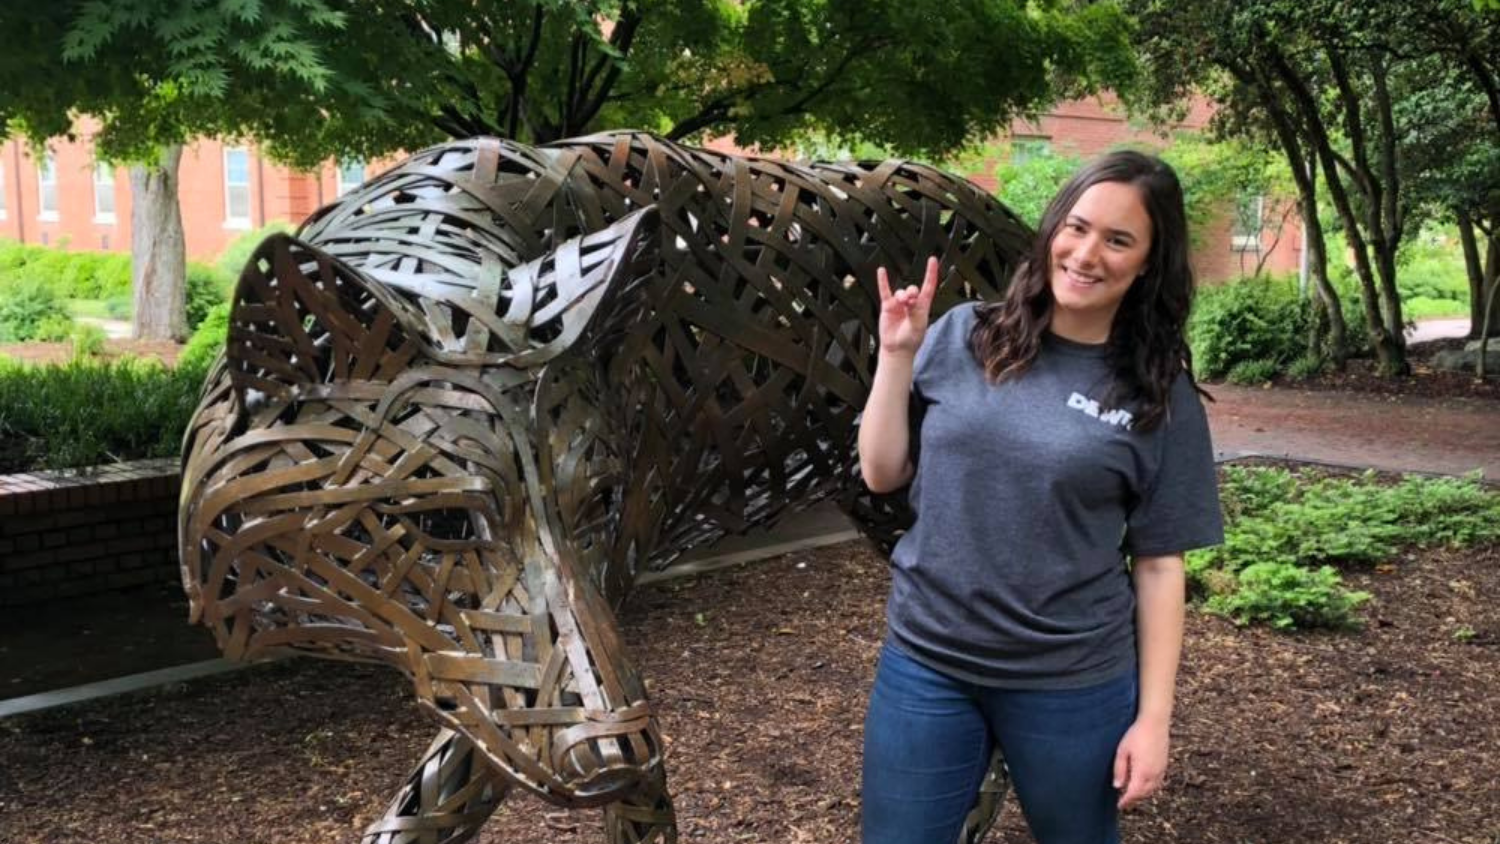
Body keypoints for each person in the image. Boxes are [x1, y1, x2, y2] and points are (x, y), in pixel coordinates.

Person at [857, 150, 1224, 844]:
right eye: (1078, 227)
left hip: (1072, 683)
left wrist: (1154, 720)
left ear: (1148, 262)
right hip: (929, 662)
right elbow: (881, 473)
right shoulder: (966, 334)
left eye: (1119, 240)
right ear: (1053, 229)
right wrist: (896, 355)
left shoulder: (1155, 390)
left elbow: (1158, 563)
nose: (1088, 254)